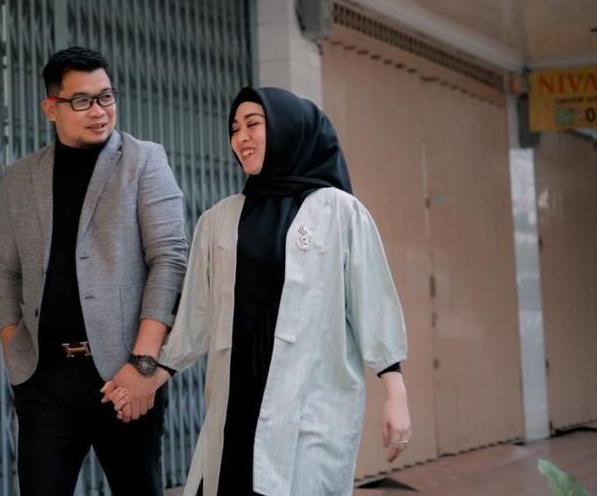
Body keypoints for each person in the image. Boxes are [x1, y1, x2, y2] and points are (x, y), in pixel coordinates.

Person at [103, 87, 411, 495]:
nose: (241, 138)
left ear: (287, 130)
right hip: (237, 400)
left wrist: (395, 393)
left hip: (309, 403)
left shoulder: (340, 211)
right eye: (234, 129)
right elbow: (195, 316)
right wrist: (148, 377)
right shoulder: (218, 219)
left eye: (253, 124)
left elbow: (372, 303)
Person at [0, 46, 188, 495]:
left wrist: (143, 364)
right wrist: (11, 342)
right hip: (44, 379)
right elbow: (6, 270)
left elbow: (169, 261)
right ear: (51, 108)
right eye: (82, 100)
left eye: (106, 97)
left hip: (123, 376)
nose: (99, 111)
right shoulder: (19, 178)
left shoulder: (144, 161)